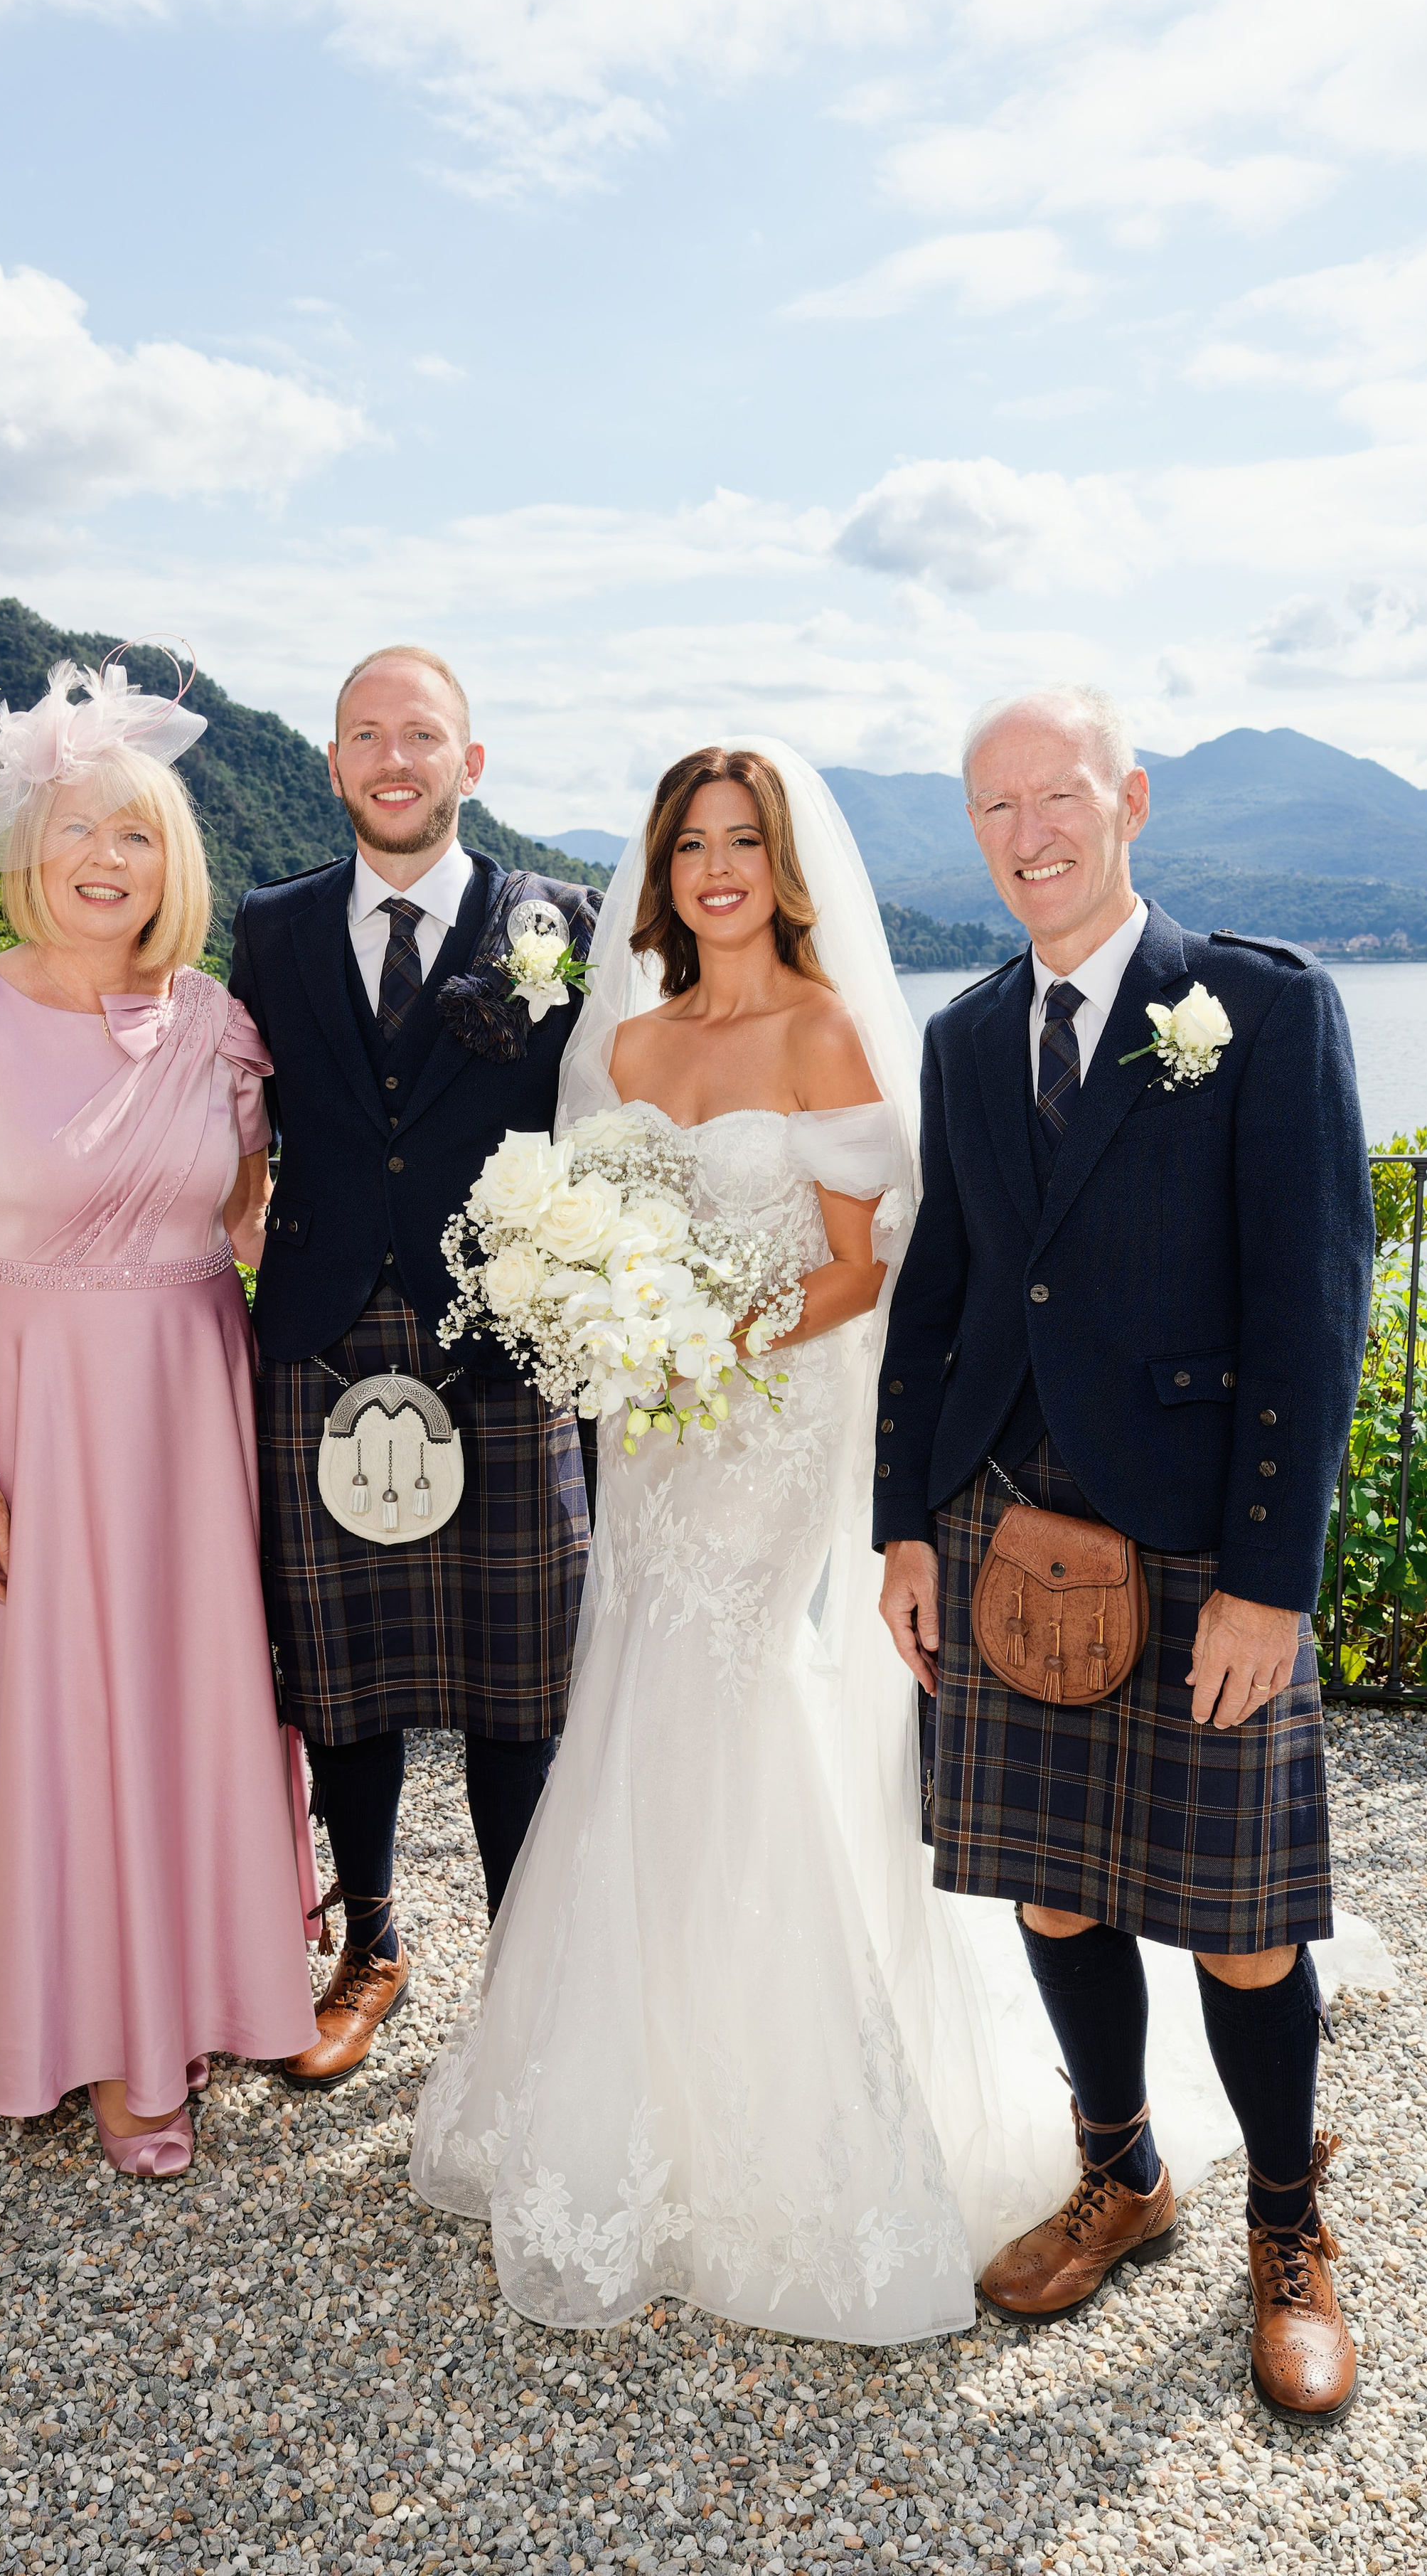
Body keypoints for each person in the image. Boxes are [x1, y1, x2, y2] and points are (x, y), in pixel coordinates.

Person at [414, 742, 1025, 2343]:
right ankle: (628, 2086)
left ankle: (779, 2118)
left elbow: (857, 1266)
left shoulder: (822, 1026)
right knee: (629, 1696)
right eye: (690, 843)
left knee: (726, 1690)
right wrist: (603, 1321)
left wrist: (710, 1336)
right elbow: (580, 1230)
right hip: (645, 1429)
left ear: (781, 864)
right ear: (662, 872)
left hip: (761, 1423)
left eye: (741, 840)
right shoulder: (627, 1038)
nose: (715, 868)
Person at [875, 682, 1377, 2420]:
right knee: (1053, 1883)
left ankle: (1290, 2230)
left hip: (1194, 1550)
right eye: (995, 807)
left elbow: (1312, 1317)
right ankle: (1123, 2174)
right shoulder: (960, 1036)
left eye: (1058, 795)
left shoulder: (1256, 1007)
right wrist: (902, 1528)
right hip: (1003, 1531)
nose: (1028, 832)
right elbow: (940, 1303)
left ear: (1130, 801)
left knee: (1240, 1923)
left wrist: (1271, 1578)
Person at [0, 659, 319, 2176]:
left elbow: (263, 1228)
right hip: (34, 1419)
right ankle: (64, 2024)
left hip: (193, 1416)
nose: (104, 861)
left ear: (168, 861)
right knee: (53, 1711)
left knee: (195, 1702)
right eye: (77, 830)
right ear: (26, 848)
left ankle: (180, 2022)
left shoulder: (214, 1022)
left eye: (133, 835)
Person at [228, 646, 599, 2090]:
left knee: (523, 1689)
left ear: (471, 763)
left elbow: (613, 1115)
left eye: (421, 736)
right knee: (343, 1679)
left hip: (501, 1358)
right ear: (332, 766)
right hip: (321, 1339)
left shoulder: (554, 919)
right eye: (366, 737)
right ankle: (370, 1941)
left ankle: (531, 1969)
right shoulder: (268, 929)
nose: (394, 760)